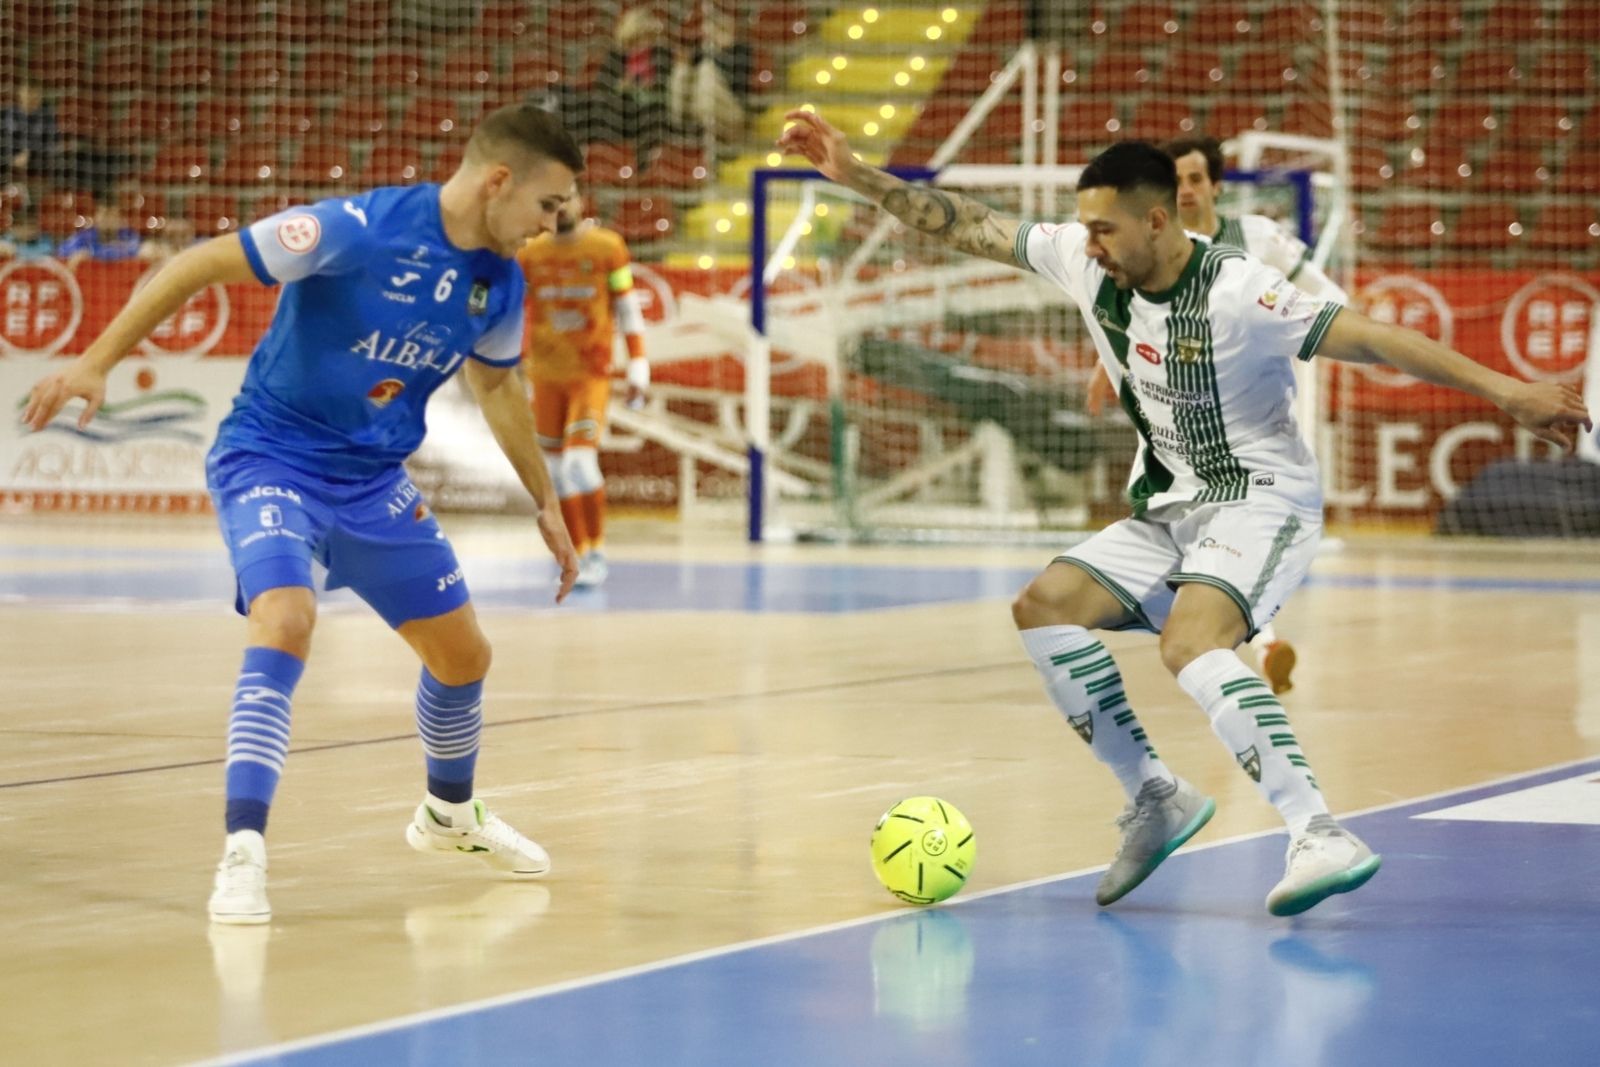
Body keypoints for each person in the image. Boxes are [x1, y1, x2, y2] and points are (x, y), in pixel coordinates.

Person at [776, 110, 1591, 916]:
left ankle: (1318, 831)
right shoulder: (1087, 262)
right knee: (1045, 607)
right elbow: (973, 226)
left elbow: (1374, 339)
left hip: (1262, 500)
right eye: (1084, 228)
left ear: (1157, 220)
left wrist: (1507, 389)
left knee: (1189, 642)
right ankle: (1155, 795)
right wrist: (855, 175)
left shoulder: (1241, 290)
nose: (1087, 242)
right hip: (1170, 506)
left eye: (1103, 229)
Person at [22, 103, 586, 925]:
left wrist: (546, 499)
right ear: (499, 181)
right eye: (548, 203)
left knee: (465, 658)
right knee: (285, 621)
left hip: (374, 480)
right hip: (272, 458)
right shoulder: (355, 228)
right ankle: (242, 851)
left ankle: (449, 817)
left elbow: (496, 383)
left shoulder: (499, 280)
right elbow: (197, 267)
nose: (552, 223)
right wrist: (95, 362)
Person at [1090, 134, 1348, 694]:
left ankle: (1242, 640)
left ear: (1215, 186)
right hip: (1172, 411)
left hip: (1246, 407)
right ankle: (1247, 641)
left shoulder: (1252, 237)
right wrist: (1103, 366)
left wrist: (1290, 333)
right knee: (1177, 517)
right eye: (1175, 180)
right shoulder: (1151, 245)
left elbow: (1328, 299)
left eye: (1195, 179)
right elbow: (1125, 311)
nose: (1185, 190)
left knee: (1235, 517)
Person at [515, 197, 650, 588]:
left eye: (565, 197)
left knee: (578, 464)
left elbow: (626, 307)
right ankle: (577, 553)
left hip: (590, 375)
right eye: (549, 200)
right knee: (556, 474)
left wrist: (639, 363)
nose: (559, 207)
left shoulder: (608, 248)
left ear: (578, 199)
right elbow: (517, 310)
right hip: (544, 377)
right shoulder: (530, 254)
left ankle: (597, 553)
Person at [58, 205, 143, 268]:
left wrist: (92, 254)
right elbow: (62, 250)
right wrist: (77, 253)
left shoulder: (128, 235)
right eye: (104, 214)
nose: (108, 220)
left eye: (113, 215)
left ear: (119, 219)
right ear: (96, 217)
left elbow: (138, 249)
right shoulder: (85, 236)